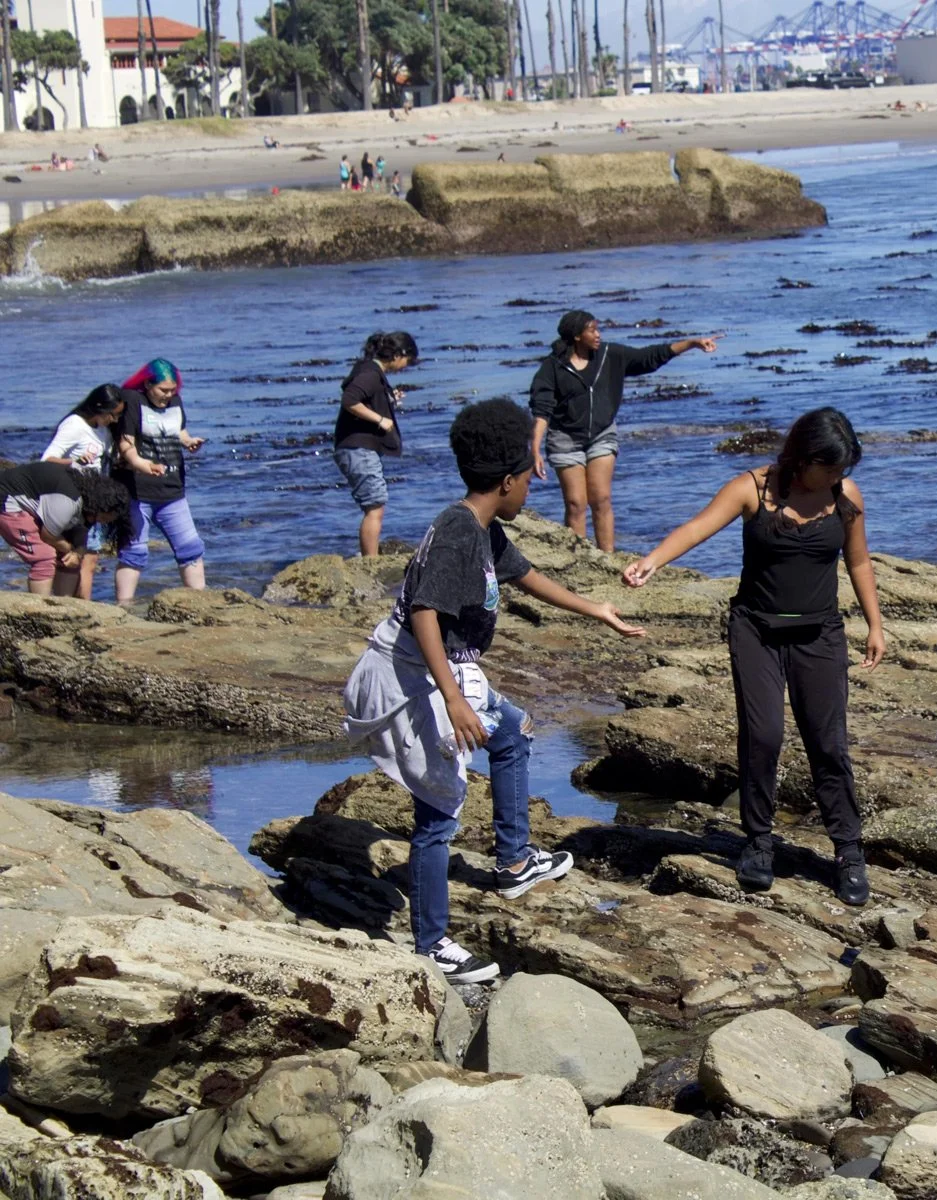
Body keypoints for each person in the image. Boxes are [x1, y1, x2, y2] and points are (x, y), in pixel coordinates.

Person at [343, 399, 646, 983]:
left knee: (512, 730)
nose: (535, 483)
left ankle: (512, 862)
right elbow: (426, 612)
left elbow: (526, 577)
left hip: (444, 671)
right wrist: (453, 700)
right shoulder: (458, 533)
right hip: (414, 677)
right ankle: (430, 944)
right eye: (529, 474)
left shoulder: (483, 526)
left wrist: (595, 609)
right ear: (506, 481)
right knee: (437, 812)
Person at [623, 407, 884, 906]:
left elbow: (858, 560)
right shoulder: (751, 489)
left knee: (828, 742)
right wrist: (652, 560)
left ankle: (849, 852)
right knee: (763, 734)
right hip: (756, 631)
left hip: (821, 634)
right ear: (804, 458)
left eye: (844, 469)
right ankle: (759, 841)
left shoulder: (845, 496)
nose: (839, 477)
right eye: (831, 467)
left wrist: (876, 624)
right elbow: (698, 527)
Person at [528, 311, 717, 551]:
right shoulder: (553, 367)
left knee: (601, 499)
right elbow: (542, 411)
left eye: (598, 329)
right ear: (577, 336)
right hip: (565, 439)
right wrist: (535, 450)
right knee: (576, 503)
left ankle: (607, 557)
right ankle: (579, 559)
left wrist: (691, 343)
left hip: (601, 435)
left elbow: (649, 357)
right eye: (592, 330)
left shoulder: (610, 355)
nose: (598, 335)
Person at [114, 359, 206, 604]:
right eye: (163, 390)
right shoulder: (133, 401)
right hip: (136, 490)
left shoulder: (175, 401)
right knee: (134, 552)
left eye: (172, 390)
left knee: (191, 548)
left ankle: (202, 603)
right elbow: (126, 443)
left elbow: (180, 431)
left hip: (172, 489)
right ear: (147, 384)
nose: (168, 395)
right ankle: (124, 607)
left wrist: (189, 442)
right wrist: (141, 464)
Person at [334, 331, 418, 557]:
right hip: (358, 449)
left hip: (355, 447)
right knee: (375, 506)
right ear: (399, 354)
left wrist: (389, 400)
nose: (405, 366)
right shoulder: (371, 374)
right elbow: (350, 399)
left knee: (374, 504)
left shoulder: (367, 369)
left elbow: (364, 398)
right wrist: (380, 419)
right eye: (408, 361)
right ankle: (370, 563)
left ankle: (369, 559)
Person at [41, 383, 127, 599]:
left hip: (94, 501)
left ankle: (75, 604)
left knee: (89, 558)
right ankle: (83, 609)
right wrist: (73, 462)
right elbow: (46, 460)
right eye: (112, 415)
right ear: (98, 407)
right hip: (74, 501)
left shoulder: (102, 429)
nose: (114, 420)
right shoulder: (74, 425)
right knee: (84, 559)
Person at [0, 462, 129, 597]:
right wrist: (70, 549)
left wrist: (77, 553)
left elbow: (80, 534)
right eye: (103, 519)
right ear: (100, 507)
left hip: (25, 501)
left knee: (68, 558)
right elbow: (48, 535)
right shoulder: (68, 502)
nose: (103, 523)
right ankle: (39, 611)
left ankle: (63, 605)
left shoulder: (86, 498)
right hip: (6, 500)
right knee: (44, 557)